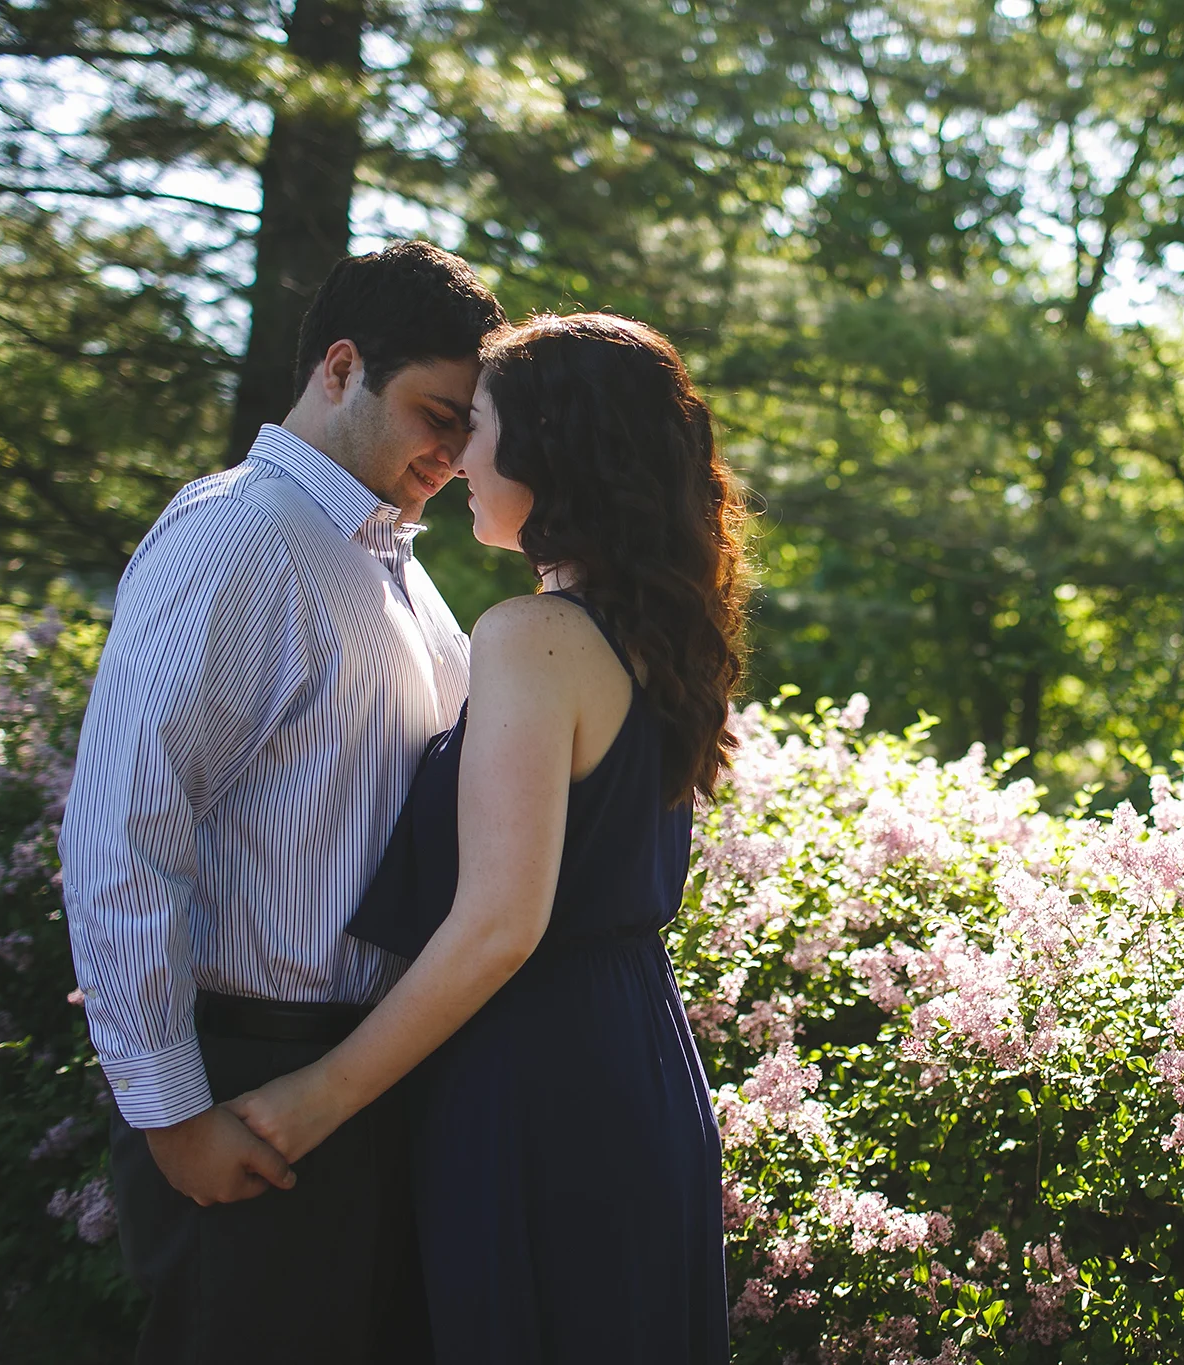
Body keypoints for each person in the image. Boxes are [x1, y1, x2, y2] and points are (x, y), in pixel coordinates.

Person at [224, 312, 747, 1362]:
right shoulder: (653, 635)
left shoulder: (531, 635)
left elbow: (500, 920)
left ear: (554, 447)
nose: (459, 457)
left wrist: (312, 1098)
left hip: (536, 1069)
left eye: (481, 427)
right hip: (631, 1053)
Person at [60, 240, 505, 1364]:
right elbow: (124, 831)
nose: (453, 455)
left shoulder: (390, 561)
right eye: (434, 414)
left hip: (365, 1081)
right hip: (249, 1084)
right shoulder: (239, 537)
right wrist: (172, 1115)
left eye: (469, 427)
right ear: (342, 368)